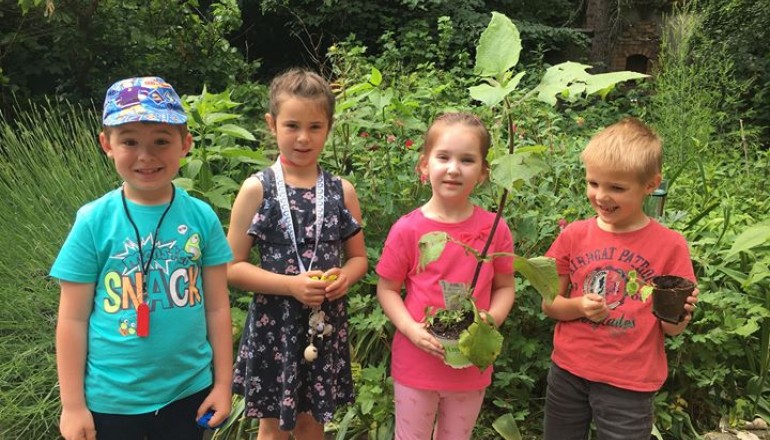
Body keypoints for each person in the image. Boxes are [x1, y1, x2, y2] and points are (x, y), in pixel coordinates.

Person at [51, 76, 234, 440]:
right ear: (106, 144)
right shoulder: (93, 222)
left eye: (161, 141)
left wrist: (223, 384)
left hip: (189, 392)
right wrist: (72, 406)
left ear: (185, 144)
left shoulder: (202, 217)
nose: (146, 156)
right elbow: (72, 318)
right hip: (111, 401)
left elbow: (217, 307)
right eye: (130, 141)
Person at [227, 68, 368, 439]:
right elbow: (232, 267)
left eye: (315, 127)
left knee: (312, 423)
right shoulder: (257, 189)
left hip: (323, 324)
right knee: (271, 427)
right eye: (292, 126)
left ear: (329, 127)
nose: (303, 138)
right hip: (276, 325)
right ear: (271, 124)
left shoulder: (341, 191)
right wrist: (290, 285)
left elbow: (358, 258)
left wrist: (345, 277)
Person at [541, 117, 699, 440]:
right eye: (594, 183)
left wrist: (681, 313)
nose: (601, 196)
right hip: (568, 370)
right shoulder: (573, 236)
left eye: (616, 188)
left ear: (650, 185)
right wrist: (580, 307)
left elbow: (671, 329)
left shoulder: (670, 246)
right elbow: (550, 305)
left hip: (630, 382)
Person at [376, 112, 516, 439]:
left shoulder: (494, 228)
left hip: (470, 364)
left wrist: (490, 319)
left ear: (483, 173)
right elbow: (387, 289)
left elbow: (506, 286)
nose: (453, 168)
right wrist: (411, 329)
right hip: (417, 363)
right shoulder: (408, 230)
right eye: (443, 157)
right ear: (424, 165)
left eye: (467, 160)